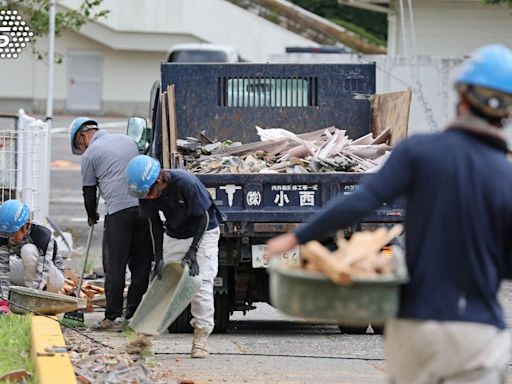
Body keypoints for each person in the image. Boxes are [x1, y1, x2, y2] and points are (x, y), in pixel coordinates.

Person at [266, 44, 512, 384]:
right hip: (478, 333)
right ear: (506, 111)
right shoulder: (506, 175)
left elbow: (360, 200)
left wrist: (296, 236)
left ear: (462, 97)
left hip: (415, 324)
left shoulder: (419, 151)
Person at [125, 154, 220, 358]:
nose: (147, 198)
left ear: (159, 180)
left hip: (203, 232)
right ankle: (145, 339)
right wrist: (158, 257)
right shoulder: (145, 192)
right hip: (174, 233)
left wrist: (193, 251)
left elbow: (203, 217)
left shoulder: (186, 182)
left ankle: (200, 338)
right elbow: (155, 225)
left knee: (200, 283)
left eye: (149, 193)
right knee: (163, 283)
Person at [69, 117, 152, 331]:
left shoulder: (89, 155)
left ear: (84, 136)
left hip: (118, 212)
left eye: (79, 145)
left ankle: (111, 316)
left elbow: (89, 192)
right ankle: (134, 315)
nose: (82, 148)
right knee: (141, 265)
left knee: (114, 266)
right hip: (144, 208)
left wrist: (91, 215)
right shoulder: (129, 142)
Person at [0, 199, 65, 315]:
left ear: (25, 225)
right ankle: (10, 298)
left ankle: (32, 299)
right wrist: (3, 302)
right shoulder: (4, 234)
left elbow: (43, 272)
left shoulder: (42, 235)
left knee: (28, 250)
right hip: (29, 275)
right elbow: (3, 269)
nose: (9, 238)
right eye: (7, 234)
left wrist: (31, 298)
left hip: (51, 280)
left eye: (13, 234)